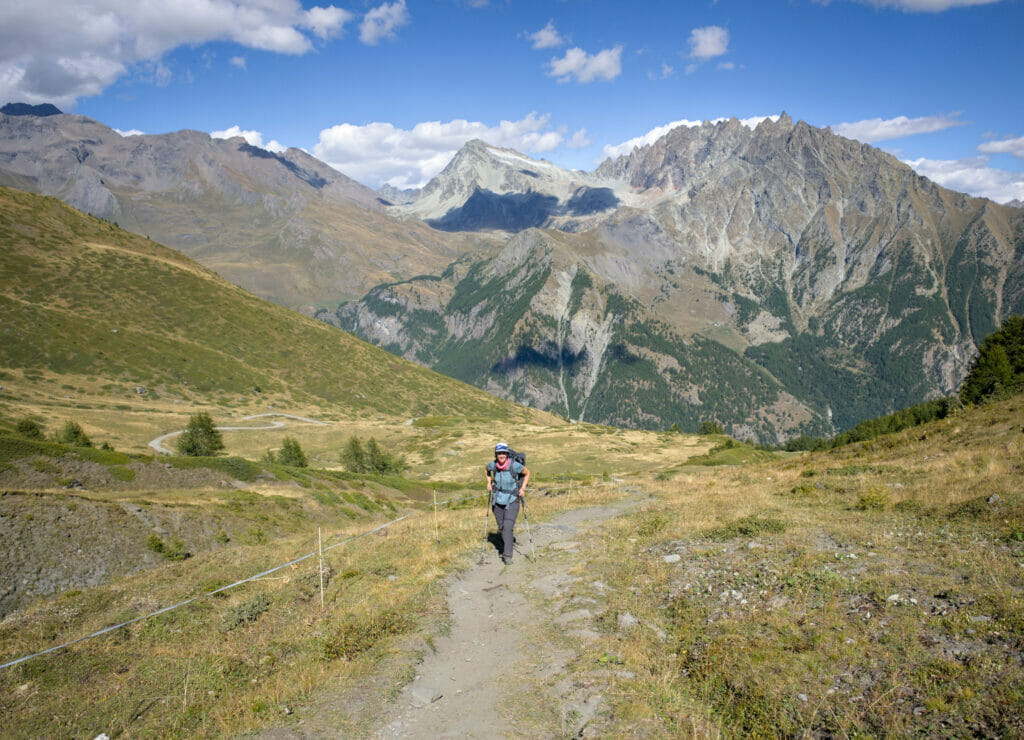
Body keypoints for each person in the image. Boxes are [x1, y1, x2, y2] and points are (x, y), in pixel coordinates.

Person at [485, 442, 530, 564]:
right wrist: (489, 482)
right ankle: (508, 540)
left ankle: (507, 555)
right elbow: (486, 469)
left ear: (507, 454)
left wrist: (523, 488)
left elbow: (527, 473)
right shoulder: (493, 465)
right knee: (502, 528)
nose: (502, 455)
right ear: (496, 454)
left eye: (504, 453)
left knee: (507, 528)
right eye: (499, 453)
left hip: (512, 499)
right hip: (497, 500)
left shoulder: (514, 466)